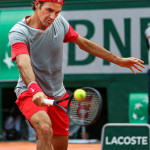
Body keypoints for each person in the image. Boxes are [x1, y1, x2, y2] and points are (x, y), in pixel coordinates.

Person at [8, 0, 145, 150]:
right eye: (49, 10)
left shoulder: (59, 22)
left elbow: (83, 43)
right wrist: (34, 88)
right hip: (30, 91)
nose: (53, 16)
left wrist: (118, 60)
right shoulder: (19, 32)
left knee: (60, 146)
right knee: (45, 129)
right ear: (36, 4)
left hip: (58, 95)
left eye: (57, 12)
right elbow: (23, 62)